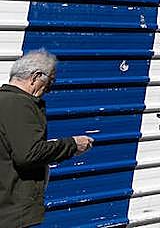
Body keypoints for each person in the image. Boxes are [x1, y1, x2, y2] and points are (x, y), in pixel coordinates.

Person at [1, 50, 94, 227]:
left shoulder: (4, 100)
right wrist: (72, 145)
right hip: (12, 213)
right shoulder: (19, 104)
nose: (49, 89)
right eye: (51, 81)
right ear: (35, 77)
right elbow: (28, 154)